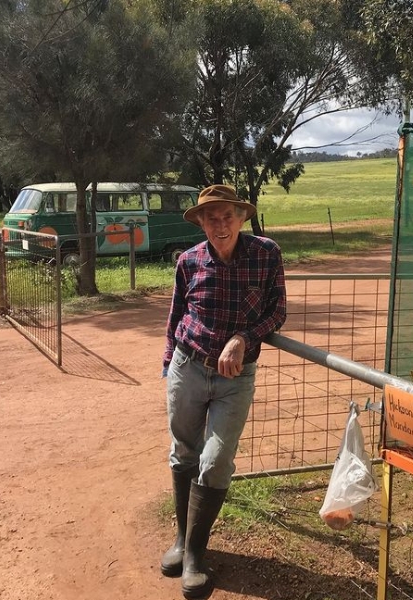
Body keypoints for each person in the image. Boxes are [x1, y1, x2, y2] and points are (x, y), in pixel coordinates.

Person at [160, 184, 286, 599]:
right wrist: (169, 365)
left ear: (241, 217)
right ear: (200, 222)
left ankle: (195, 555)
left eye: (226, 215)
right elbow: (177, 313)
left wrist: (244, 338)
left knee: (215, 461)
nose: (219, 224)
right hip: (188, 366)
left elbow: (277, 311)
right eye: (210, 217)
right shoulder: (189, 261)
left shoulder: (266, 254)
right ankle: (182, 541)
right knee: (184, 452)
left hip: (236, 377)